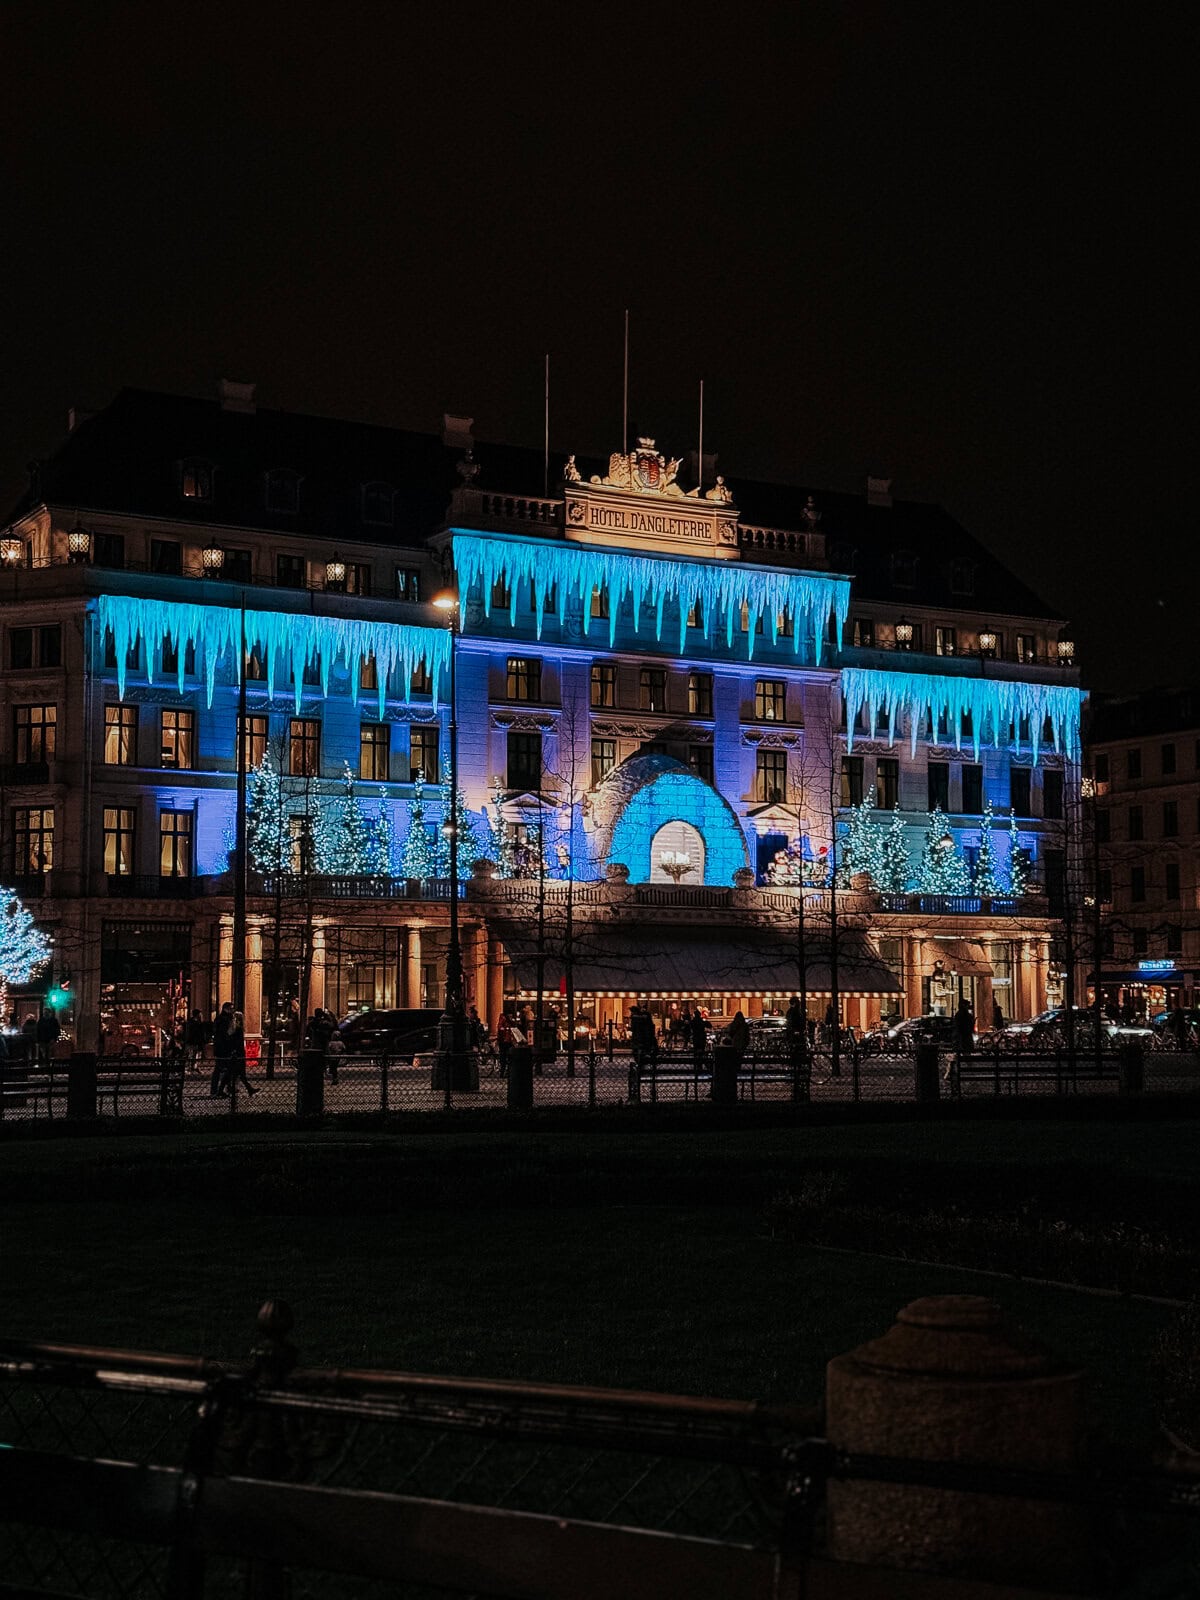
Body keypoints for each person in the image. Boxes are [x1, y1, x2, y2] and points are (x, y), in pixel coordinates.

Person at [224, 1010, 256, 1097]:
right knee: (237, 1073)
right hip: (238, 1053)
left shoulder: (234, 1028)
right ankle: (231, 1089)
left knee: (236, 1073)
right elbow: (237, 1042)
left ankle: (247, 1089)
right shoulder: (238, 1029)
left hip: (236, 1053)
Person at [211, 1002, 234, 1095]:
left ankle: (219, 1089)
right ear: (226, 1009)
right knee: (224, 1069)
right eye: (231, 1008)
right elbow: (225, 1035)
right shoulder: (225, 1020)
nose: (233, 1011)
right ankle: (219, 1089)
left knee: (224, 1069)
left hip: (220, 1048)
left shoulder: (219, 1019)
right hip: (224, 1048)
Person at [184, 1009, 207, 1075]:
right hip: (193, 1042)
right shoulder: (193, 1023)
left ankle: (194, 1067)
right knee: (192, 1055)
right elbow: (194, 1033)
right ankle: (189, 1068)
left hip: (195, 1042)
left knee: (195, 1055)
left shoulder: (194, 1022)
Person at [496, 1012, 514, 1078]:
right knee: (505, 1057)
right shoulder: (504, 1019)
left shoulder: (508, 1021)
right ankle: (505, 1072)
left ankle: (504, 1072)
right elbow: (500, 1028)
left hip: (506, 1041)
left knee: (504, 1057)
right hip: (505, 1041)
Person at [690, 1008, 708, 1073]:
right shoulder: (701, 1021)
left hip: (696, 1037)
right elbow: (709, 1025)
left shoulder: (693, 1021)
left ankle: (695, 1064)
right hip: (702, 1038)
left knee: (695, 1051)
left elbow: (690, 1027)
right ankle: (700, 1065)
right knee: (701, 1051)